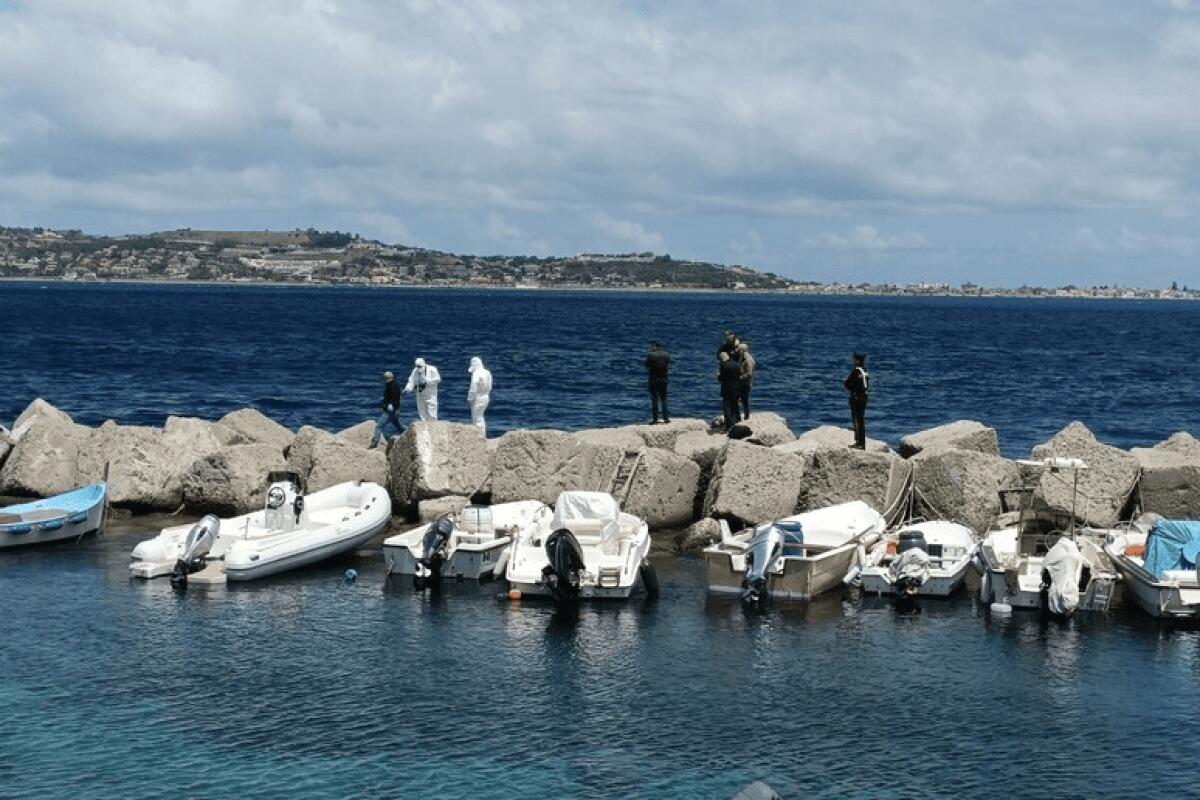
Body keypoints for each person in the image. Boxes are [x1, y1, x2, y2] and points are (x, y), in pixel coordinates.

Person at [369, 371, 403, 448]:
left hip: (391, 409)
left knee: (379, 426)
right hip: (392, 409)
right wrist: (384, 407)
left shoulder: (392, 386)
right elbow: (388, 398)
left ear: (389, 378)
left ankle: (374, 443)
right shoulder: (391, 385)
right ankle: (405, 432)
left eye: (386, 378)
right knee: (397, 425)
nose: (385, 379)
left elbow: (395, 399)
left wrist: (396, 409)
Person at [844, 352, 870, 449]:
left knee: (857, 421)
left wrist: (852, 390)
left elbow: (847, 383)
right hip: (864, 398)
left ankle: (859, 442)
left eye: (854, 359)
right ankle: (862, 442)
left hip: (856, 398)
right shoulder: (865, 371)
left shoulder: (855, 372)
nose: (853, 361)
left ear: (857, 360)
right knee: (861, 420)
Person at [644, 339, 671, 424]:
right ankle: (666, 418)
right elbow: (668, 364)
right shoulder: (666, 355)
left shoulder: (651, 355)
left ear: (655, 346)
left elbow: (646, 365)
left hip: (653, 379)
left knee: (655, 399)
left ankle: (655, 419)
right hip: (663, 379)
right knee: (664, 398)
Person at [467, 356, 492, 436]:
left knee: (477, 418)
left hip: (478, 398)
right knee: (481, 417)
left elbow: (473, 387)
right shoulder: (487, 372)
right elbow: (490, 386)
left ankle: (479, 436)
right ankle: (483, 435)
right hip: (486, 396)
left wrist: (470, 398)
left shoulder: (476, 373)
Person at [718, 351, 742, 433]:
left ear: (721, 359)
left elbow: (722, 378)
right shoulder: (736, 364)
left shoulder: (724, 365)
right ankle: (738, 422)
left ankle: (729, 427)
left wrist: (718, 376)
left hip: (727, 390)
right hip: (737, 389)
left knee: (727, 409)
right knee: (735, 407)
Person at [737, 342, 755, 421]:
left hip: (745, 383)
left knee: (745, 401)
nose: (737, 351)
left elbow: (749, 373)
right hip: (741, 383)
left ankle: (747, 418)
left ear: (743, 350)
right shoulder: (742, 357)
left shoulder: (748, 360)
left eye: (739, 349)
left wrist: (739, 377)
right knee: (740, 400)